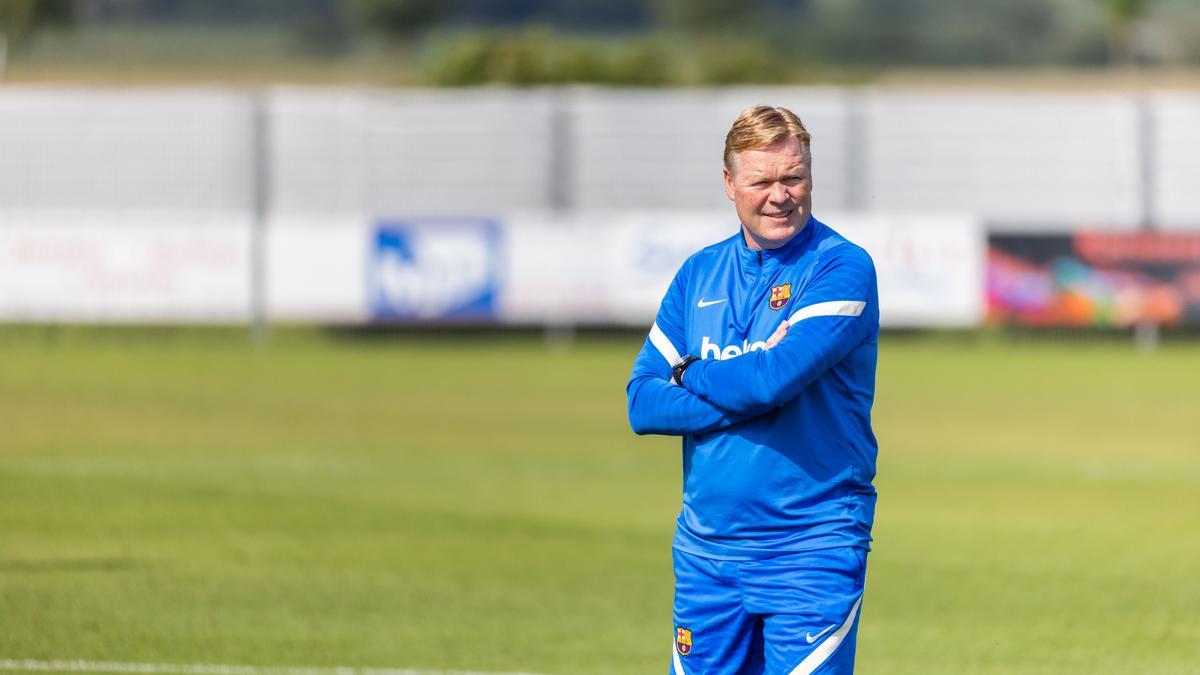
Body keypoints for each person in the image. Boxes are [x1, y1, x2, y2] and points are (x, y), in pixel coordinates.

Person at [626, 105, 880, 675]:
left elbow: (770, 382)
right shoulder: (699, 273)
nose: (779, 195)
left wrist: (691, 372)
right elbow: (641, 401)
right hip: (706, 552)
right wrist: (748, 388)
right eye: (761, 180)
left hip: (810, 547)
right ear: (729, 184)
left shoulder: (841, 268)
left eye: (793, 177)